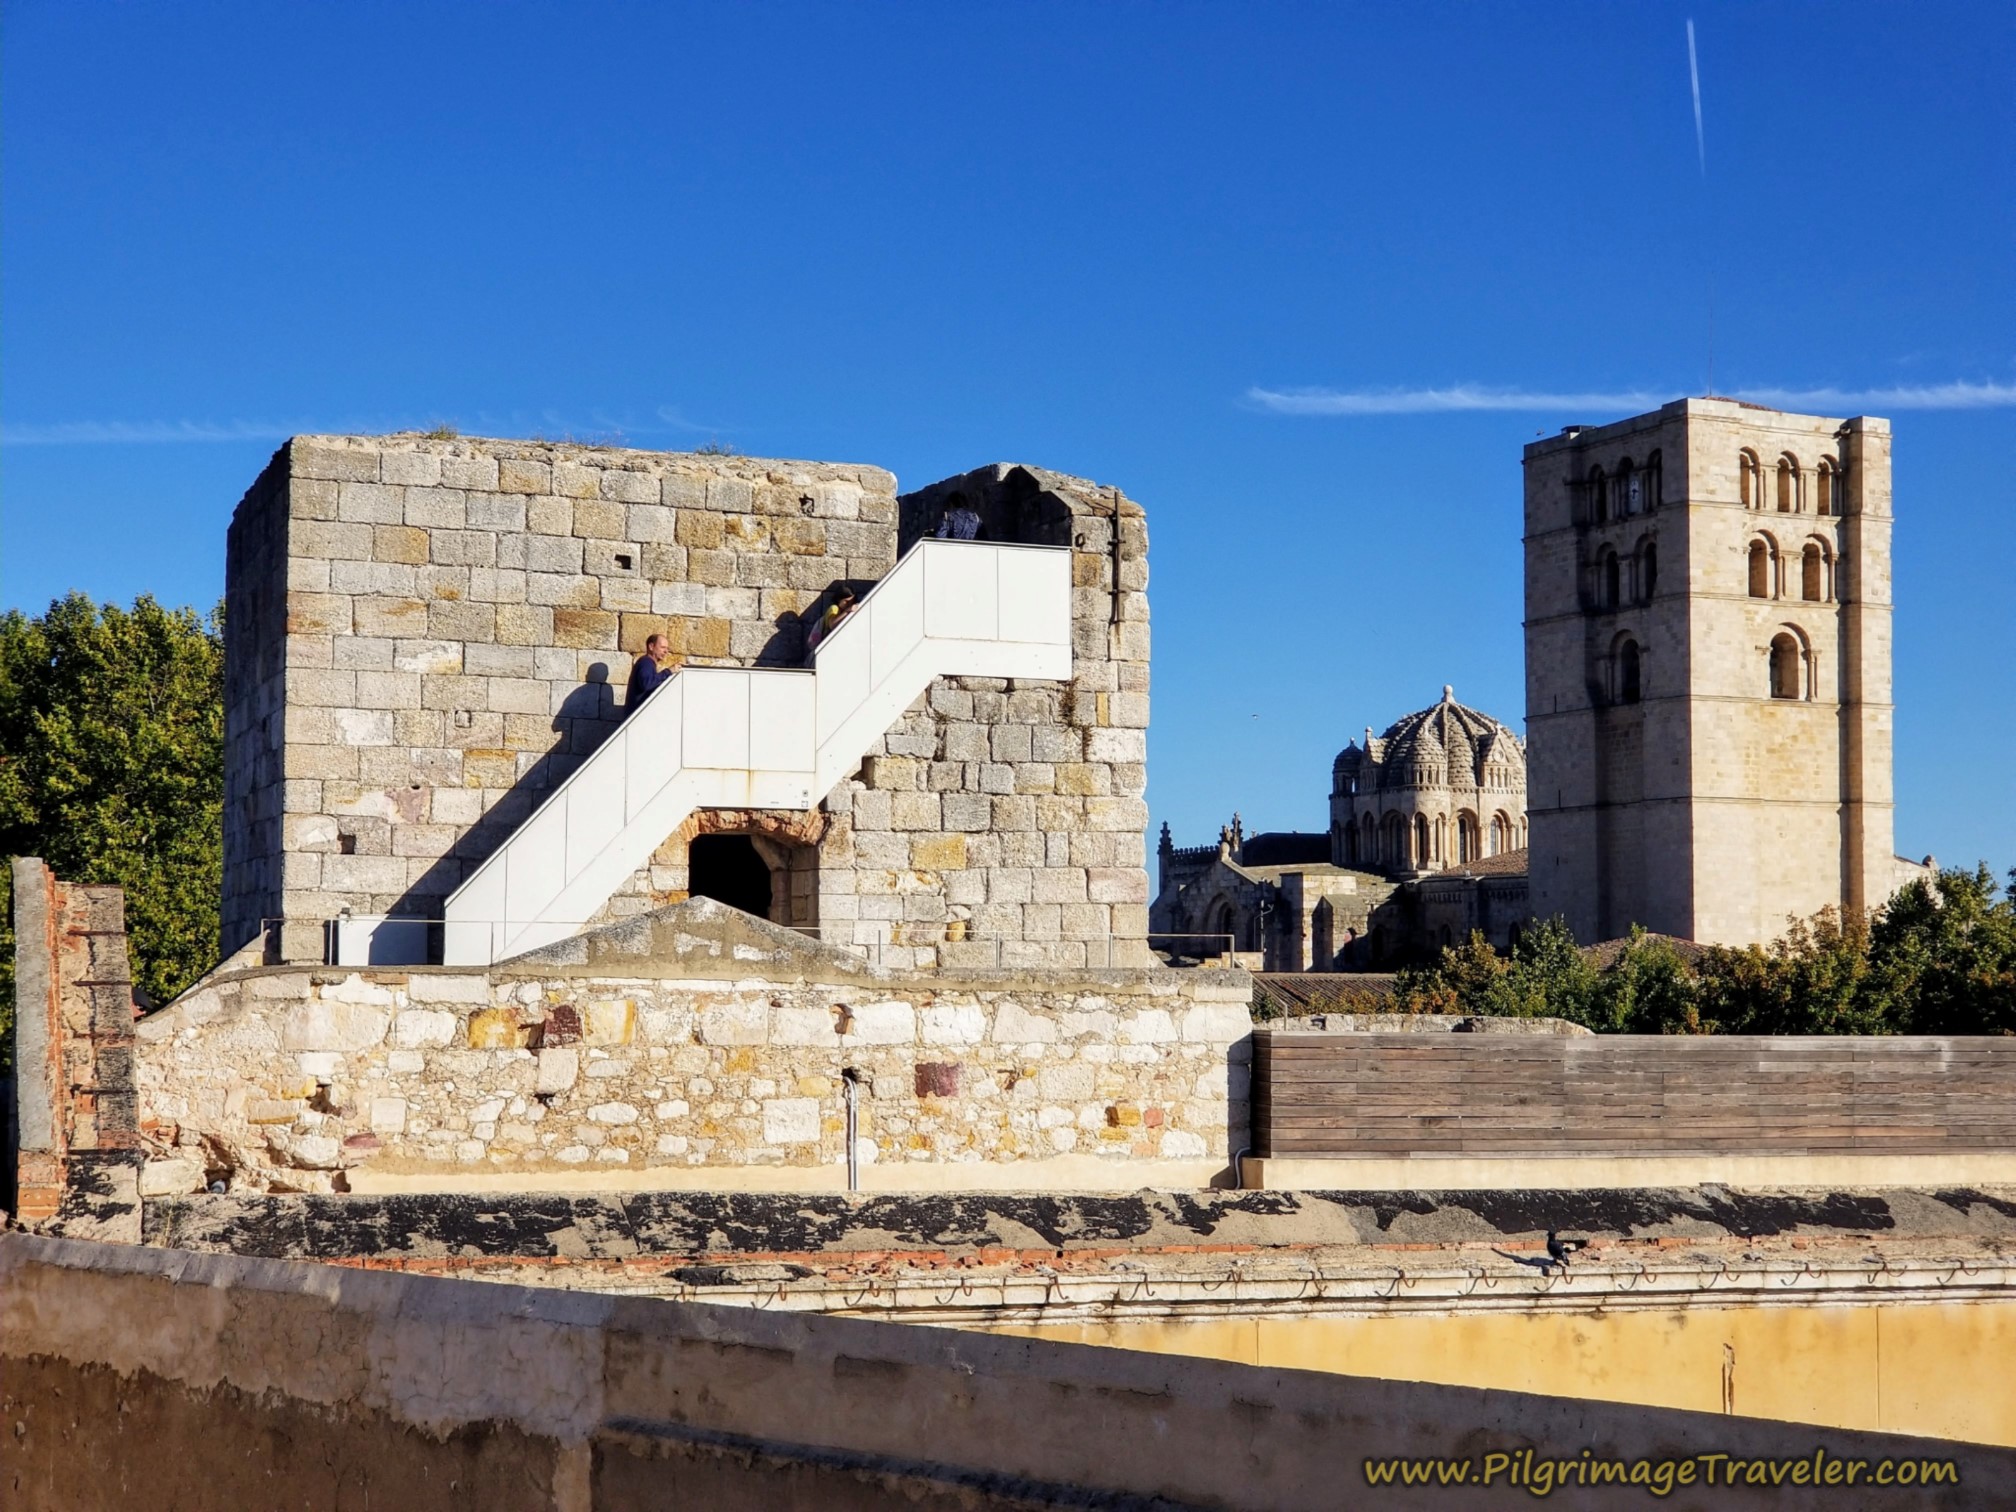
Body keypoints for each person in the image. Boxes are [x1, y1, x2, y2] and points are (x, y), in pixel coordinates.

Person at [623, 633, 672, 718]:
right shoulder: (646, 663)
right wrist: (668, 671)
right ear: (651, 647)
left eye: (667, 648)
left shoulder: (648, 663)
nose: (666, 651)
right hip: (637, 718)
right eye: (663, 647)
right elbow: (647, 684)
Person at [804, 587, 857, 658]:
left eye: (851, 601)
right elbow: (832, 624)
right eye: (846, 601)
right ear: (839, 599)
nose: (849, 604)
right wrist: (847, 611)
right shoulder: (834, 608)